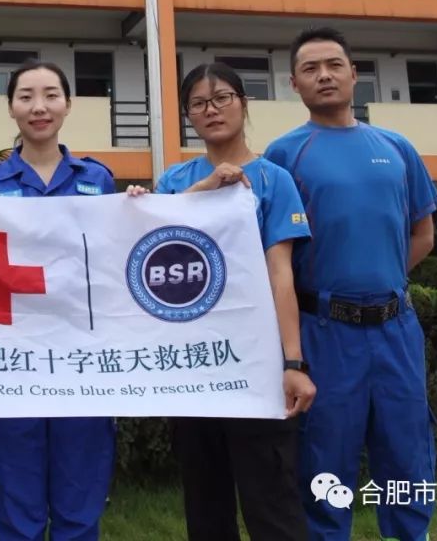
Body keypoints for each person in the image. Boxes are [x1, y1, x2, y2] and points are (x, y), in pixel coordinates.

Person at [264, 26, 437, 541]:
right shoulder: (283, 155)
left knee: (407, 458)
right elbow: (273, 251)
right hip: (324, 332)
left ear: (355, 74)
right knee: (324, 465)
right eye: (311, 69)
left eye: (334, 65)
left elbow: (424, 234)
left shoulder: (396, 147)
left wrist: (378, 281)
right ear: (294, 84)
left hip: (396, 331)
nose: (325, 76)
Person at [149, 61, 315, 541]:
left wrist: (293, 361)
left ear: (244, 104)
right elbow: (157, 259)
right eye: (198, 103)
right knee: (205, 506)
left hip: (256, 364)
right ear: (188, 116)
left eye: (222, 97)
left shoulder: (273, 180)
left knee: (272, 504)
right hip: (192, 367)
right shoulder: (174, 182)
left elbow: (280, 274)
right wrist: (200, 191)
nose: (211, 110)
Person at [0, 58, 116, 541]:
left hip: (81, 363)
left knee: (80, 506)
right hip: (12, 364)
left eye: (51, 94)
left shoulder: (99, 180)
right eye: (26, 96)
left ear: (68, 104)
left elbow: (115, 263)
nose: (39, 106)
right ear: (10, 107)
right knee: (18, 510)